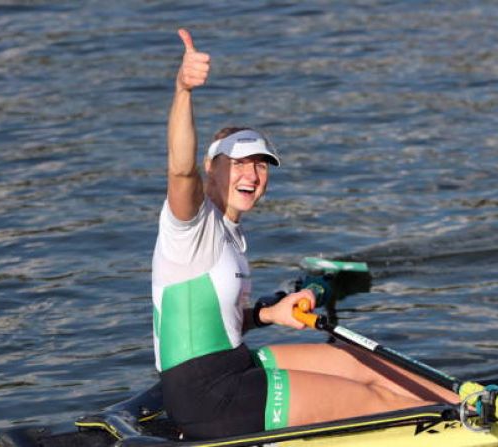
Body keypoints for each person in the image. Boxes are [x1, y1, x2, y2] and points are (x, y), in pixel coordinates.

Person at [151, 28, 459, 440]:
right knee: (378, 404)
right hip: (207, 396)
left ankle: (466, 406)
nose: (252, 175)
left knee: (362, 364)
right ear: (212, 168)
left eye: (261, 165)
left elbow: (215, 320)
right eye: (239, 162)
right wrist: (183, 90)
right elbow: (178, 168)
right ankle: (459, 429)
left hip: (235, 364)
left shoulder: (231, 235)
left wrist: (269, 314)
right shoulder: (189, 225)